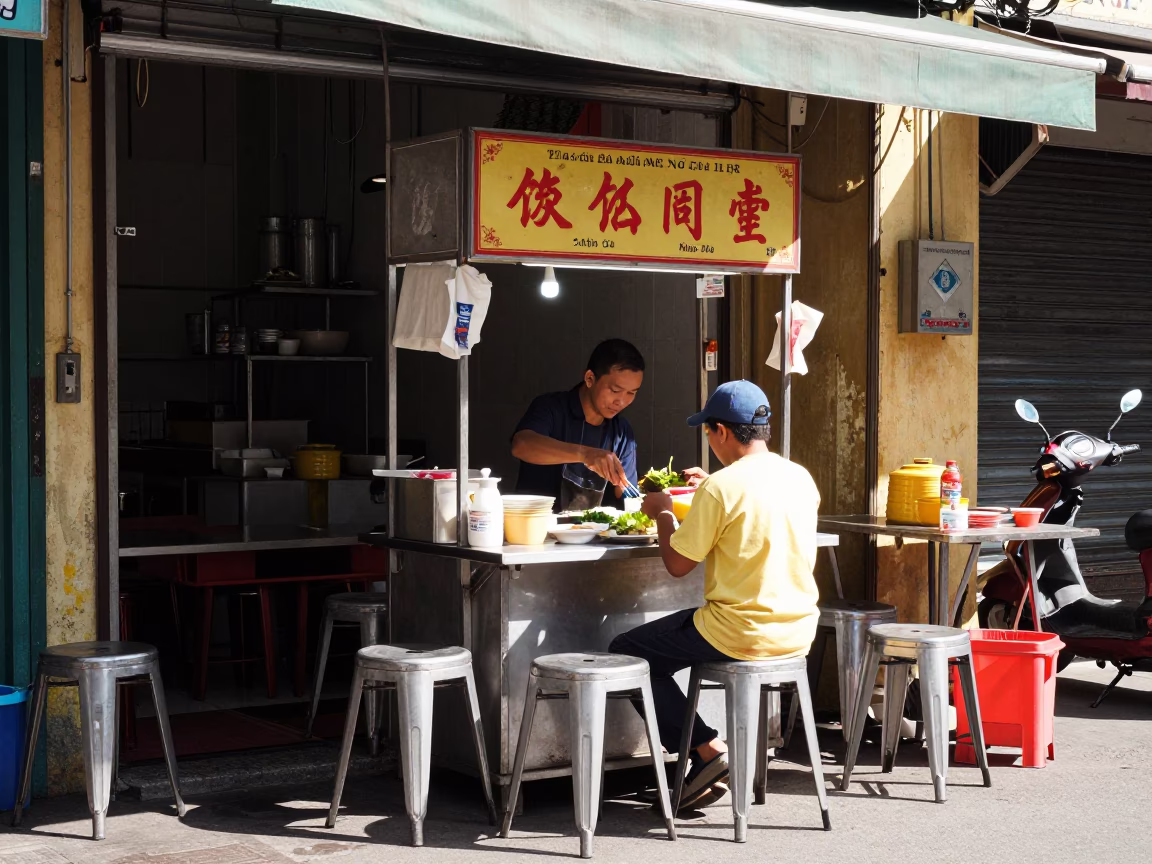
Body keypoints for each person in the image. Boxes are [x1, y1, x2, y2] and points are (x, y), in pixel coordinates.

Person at [609, 380, 820, 811]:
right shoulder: (799, 476)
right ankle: (703, 761)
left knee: (627, 654)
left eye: (707, 431)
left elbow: (678, 565)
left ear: (721, 431)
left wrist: (663, 513)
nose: (708, 439)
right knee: (650, 649)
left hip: (739, 630)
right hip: (798, 630)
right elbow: (753, 508)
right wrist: (710, 487)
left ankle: (706, 750)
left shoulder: (721, 487)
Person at [511, 339, 643, 509]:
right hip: (536, 529)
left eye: (631, 393)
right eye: (615, 390)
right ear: (590, 379)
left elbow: (627, 494)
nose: (621, 401)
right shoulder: (551, 408)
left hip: (594, 532)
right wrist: (585, 454)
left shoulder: (622, 431)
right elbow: (521, 445)